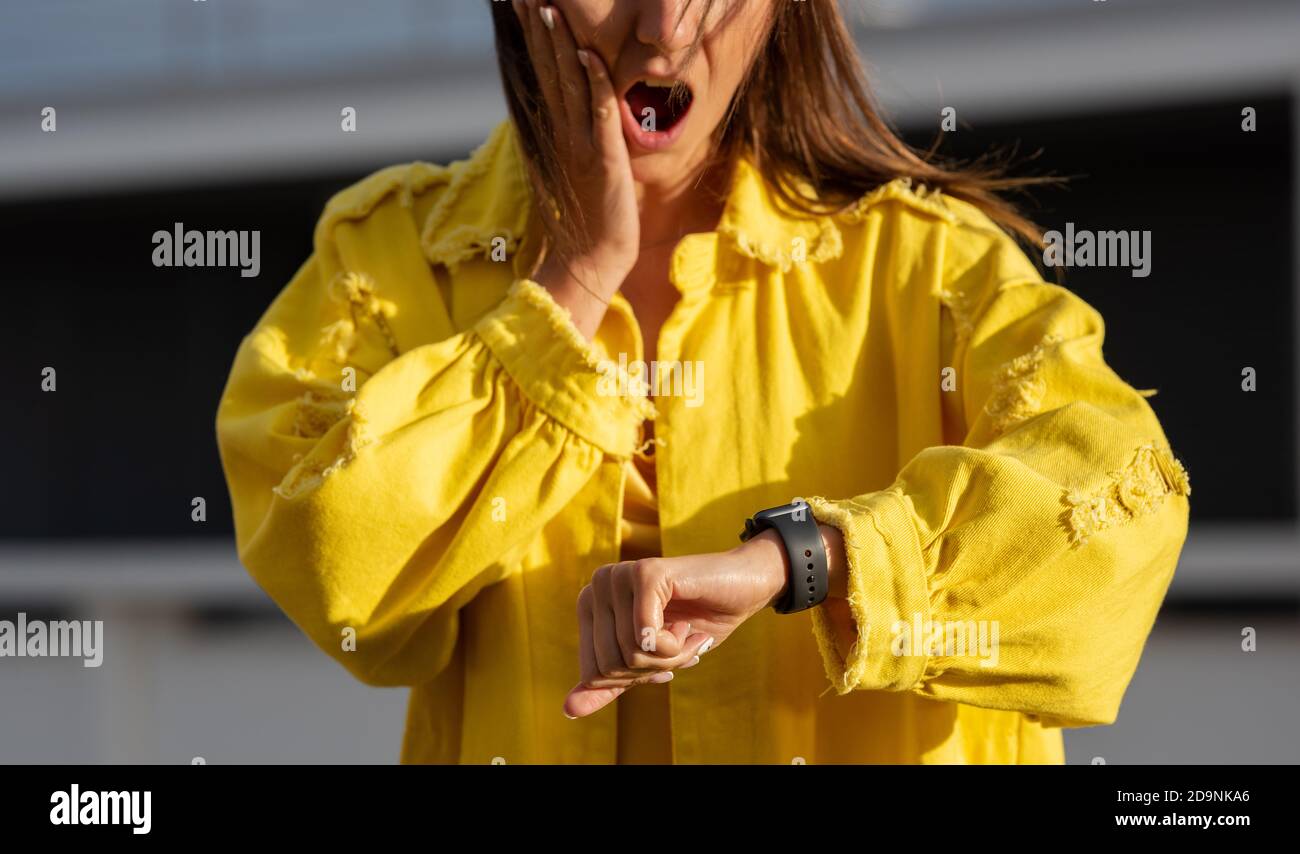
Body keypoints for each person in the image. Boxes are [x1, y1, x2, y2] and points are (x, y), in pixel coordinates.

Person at [216, 0, 1190, 764]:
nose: (667, 27)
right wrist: (569, 283)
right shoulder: (390, 257)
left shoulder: (930, 270)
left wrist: (805, 559)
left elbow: (1117, 500)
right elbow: (332, 562)